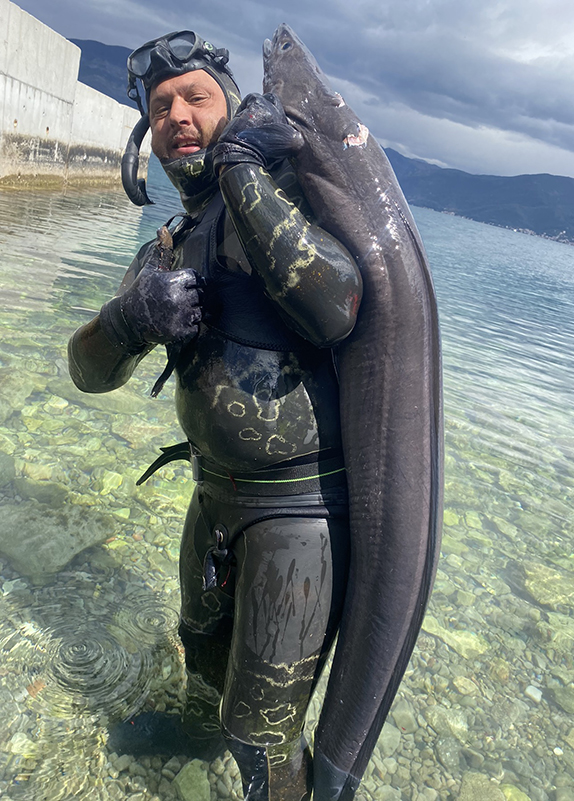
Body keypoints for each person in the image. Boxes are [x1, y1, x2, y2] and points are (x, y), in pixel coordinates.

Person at [68, 30, 362, 801]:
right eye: (160, 106)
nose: (177, 115)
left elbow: (336, 303)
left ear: (233, 107)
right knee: (199, 646)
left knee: (262, 732)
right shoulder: (168, 246)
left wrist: (242, 172)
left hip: (298, 513)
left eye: (195, 97)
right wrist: (129, 319)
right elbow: (87, 373)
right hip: (213, 496)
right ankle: (193, 732)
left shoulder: (278, 203)